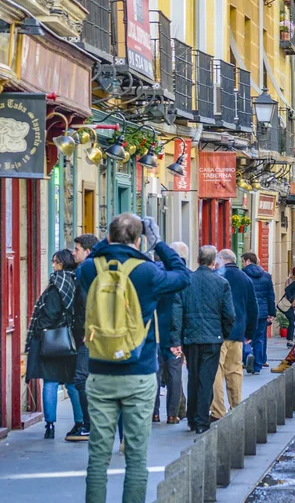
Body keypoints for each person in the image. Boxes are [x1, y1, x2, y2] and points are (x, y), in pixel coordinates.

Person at [78, 213, 190, 503]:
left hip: (100, 370)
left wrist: (106, 245)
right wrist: (160, 244)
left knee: (97, 459)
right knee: (137, 459)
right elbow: (182, 276)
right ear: (139, 240)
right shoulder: (147, 271)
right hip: (139, 372)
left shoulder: (89, 269)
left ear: (109, 237)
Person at [170, 245, 235, 434]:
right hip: (212, 337)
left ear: (197, 260)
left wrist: (177, 337)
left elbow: (177, 311)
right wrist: (224, 332)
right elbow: (229, 314)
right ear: (214, 262)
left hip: (191, 336)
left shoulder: (186, 281)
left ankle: (192, 418)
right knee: (207, 379)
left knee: (193, 376)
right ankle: (201, 420)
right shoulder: (221, 283)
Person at [25, 249, 80, 440]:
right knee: (73, 384)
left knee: (50, 382)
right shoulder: (76, 281)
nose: (53, 265)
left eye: (55, 262)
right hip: (71, 340)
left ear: (62, 264)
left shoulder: (57, 284)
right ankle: (80, 421)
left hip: (54, 342)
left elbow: (49, 314)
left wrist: (39, 332)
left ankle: (50, 425)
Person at [210, 250, 258, 419]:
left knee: (216, 371)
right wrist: (249, 332)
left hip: (217, 331)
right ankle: (236, 406)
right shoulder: (245, 278)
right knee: (235, 370)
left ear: (221, 259)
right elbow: (253, 307)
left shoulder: (216, 275)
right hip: (238, 332)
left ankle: (218, 411)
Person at [153, 242, 192, 425]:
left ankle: (153, 413)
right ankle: (172, 414)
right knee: (175, 374)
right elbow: (180, 310)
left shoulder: (153, 275)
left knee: (156, 373)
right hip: (174, 334)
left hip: (154, 333)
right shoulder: (181, 278)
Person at [66, 234, 99, 442]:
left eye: (76, 249)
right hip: (91, 332)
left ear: (87, 252)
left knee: (81, 378)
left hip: (89, 335)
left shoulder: (86, 271)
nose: (73, 252)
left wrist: (88, 330)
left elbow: (88, 301)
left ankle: (89, 424)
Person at [241, 252, 275, 374]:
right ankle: (257, 366)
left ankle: (248, 354)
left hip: (247, 312)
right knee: (260, 338)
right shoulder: (266, 276)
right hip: (262, 312)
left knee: (244, 337)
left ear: (248, 261)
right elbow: (270, 295)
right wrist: (271, 312)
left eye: (243, 261)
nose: (242, 264)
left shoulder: (243, 275)